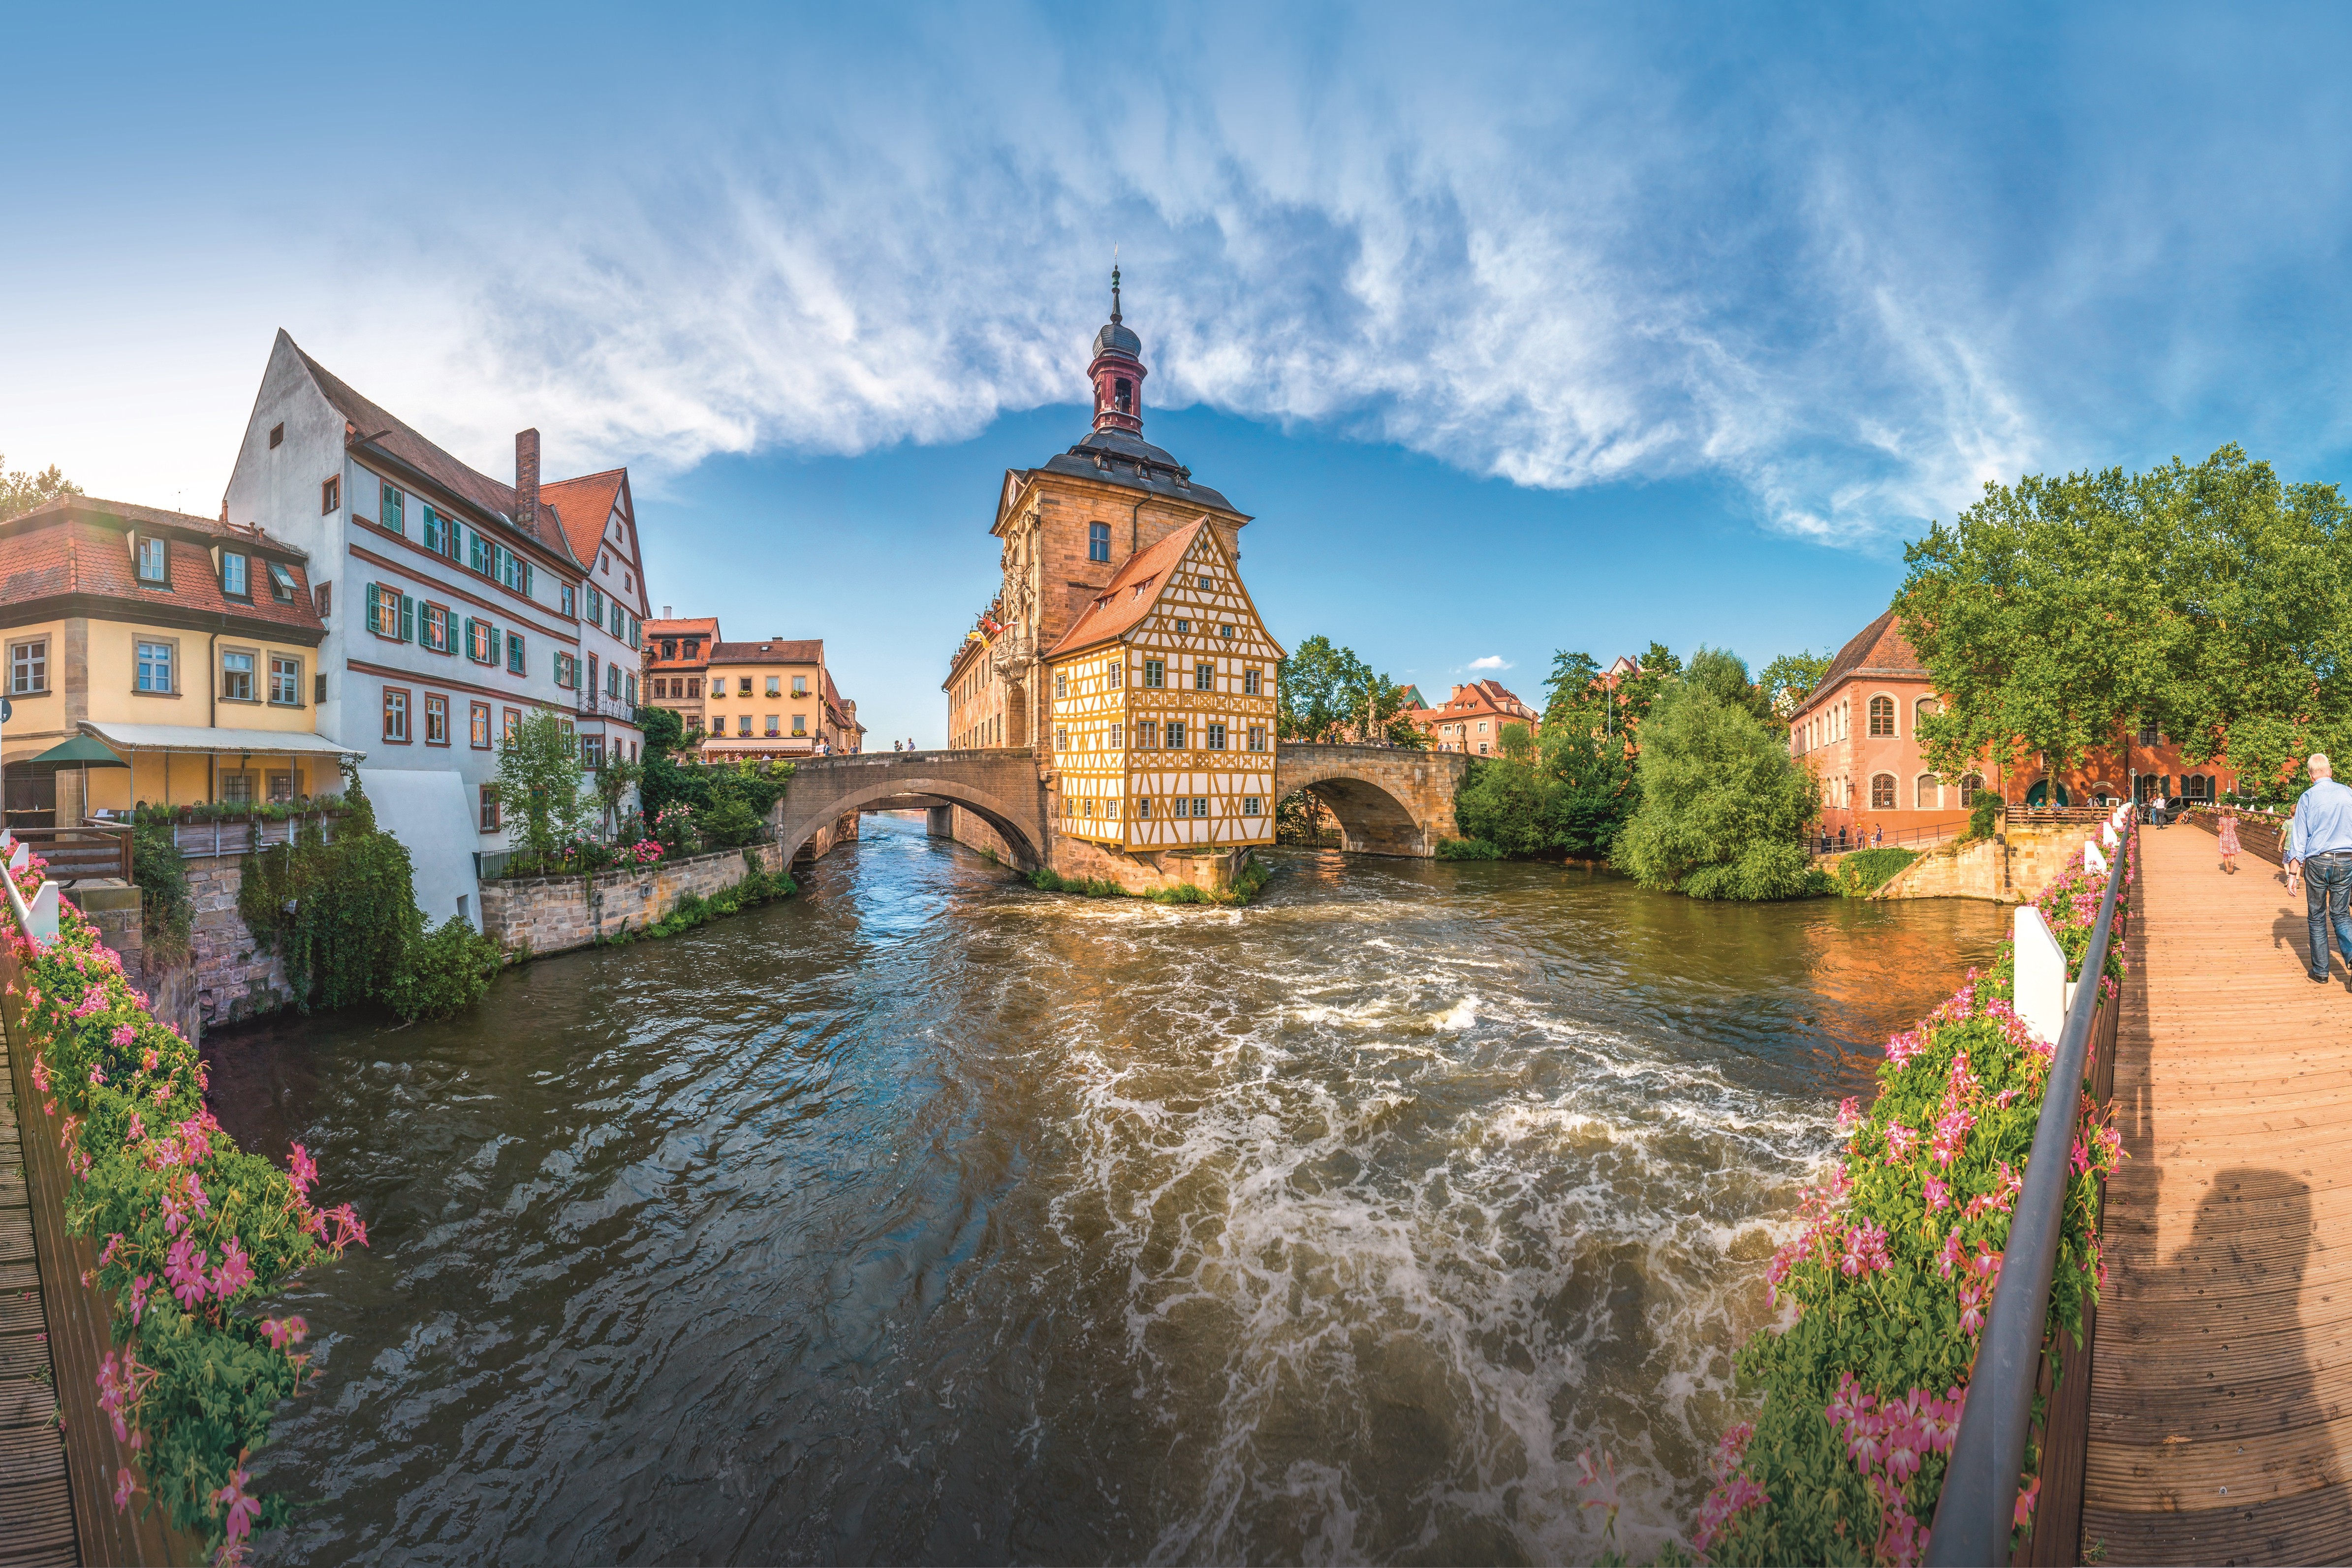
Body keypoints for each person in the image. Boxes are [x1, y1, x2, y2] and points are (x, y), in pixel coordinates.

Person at [2285, 753, 2352, 984]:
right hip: (2346, 859)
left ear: (2310, 774)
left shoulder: (2307, 797)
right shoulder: (2348, 793)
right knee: (2341, 913)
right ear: (2330, 772)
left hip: (2318, 861)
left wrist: (2293, 874)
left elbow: (2299, 840)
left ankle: (2321, 972)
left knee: (2316, 916)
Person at [2217, 806, 2242, 874]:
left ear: (2223, 811)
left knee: (2225, 855)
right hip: (2232, 837)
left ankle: (2228, 869)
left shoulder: (2222, 819)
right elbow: (2234, 827)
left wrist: (2217, 827)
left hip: (2225, 838)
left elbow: (2220, 829)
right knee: (2232, 853)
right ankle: (2233, 863)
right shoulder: (2234, 819)